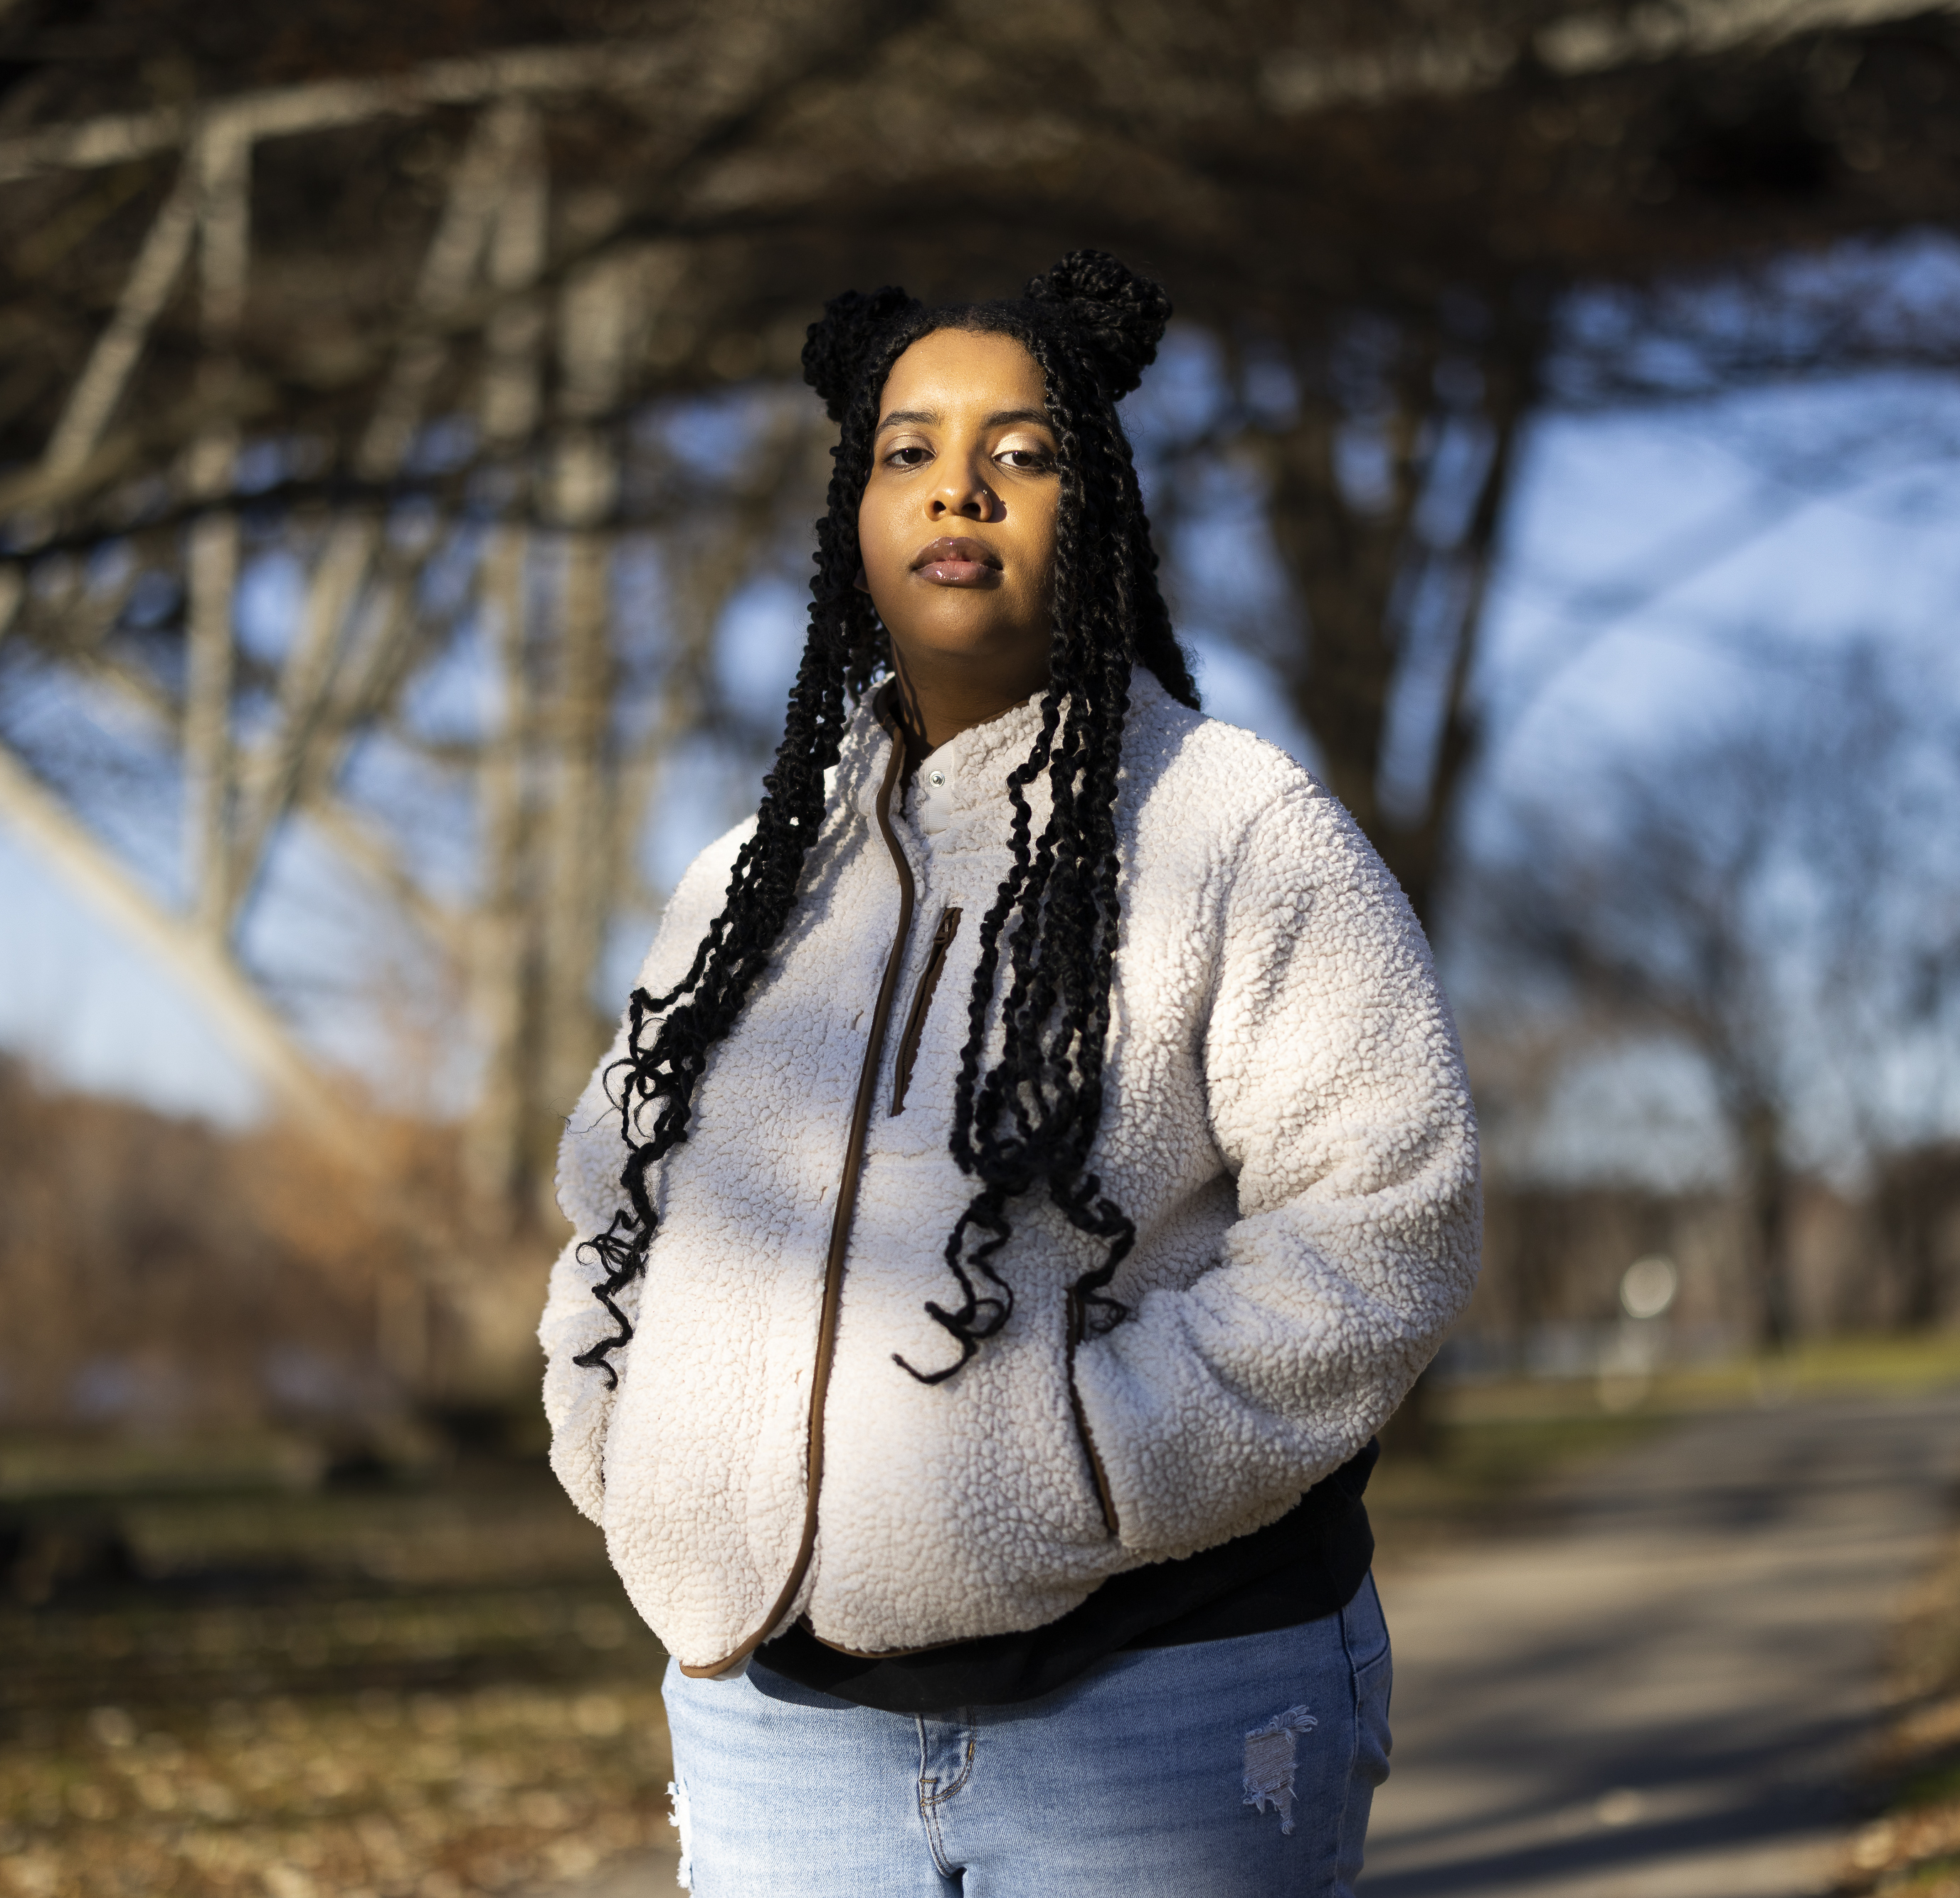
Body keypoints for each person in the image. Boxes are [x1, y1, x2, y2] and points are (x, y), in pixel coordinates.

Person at [539, 251, 1480, 1897]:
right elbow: (607, 1213)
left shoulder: (1229, 827)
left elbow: (1385, 1214)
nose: (956, 485)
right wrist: (638, 1467)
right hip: (779, 1733)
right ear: (850, 511)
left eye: (1020, 449)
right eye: (904, 448)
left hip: (1164, 1703)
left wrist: (1083, 1454)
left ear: (1094, 504)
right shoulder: (746, 883)